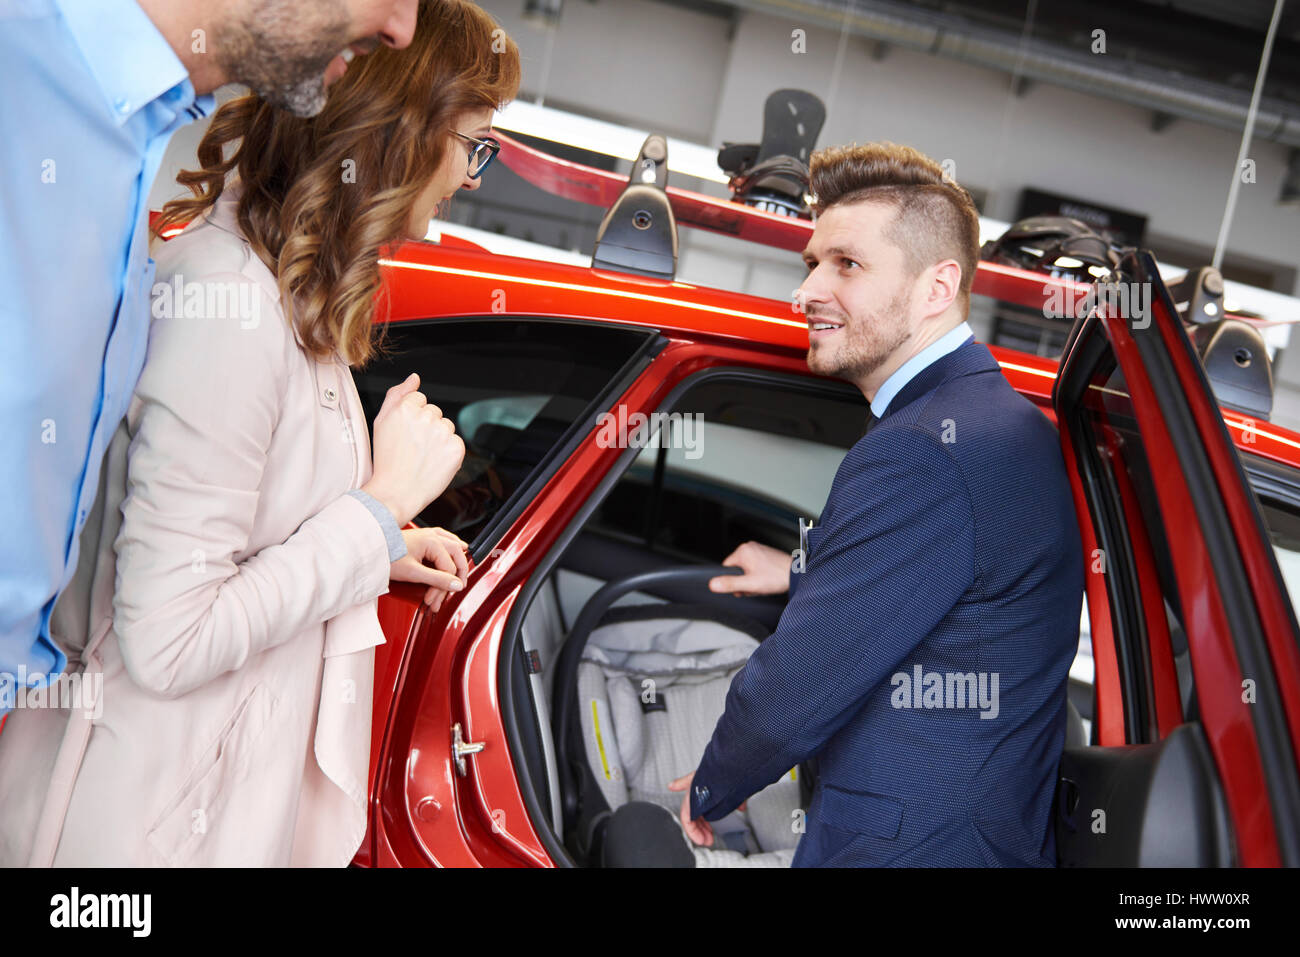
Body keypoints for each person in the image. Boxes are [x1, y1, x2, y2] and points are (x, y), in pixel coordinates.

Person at [0, 0, 520, 866]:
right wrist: (373, 508)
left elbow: (233, 530)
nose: (472, 175)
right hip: (134, 826)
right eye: (474, 142)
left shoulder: (283, 293)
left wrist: (373, 538)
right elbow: (169, 639)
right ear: (396, 129)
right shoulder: (234, 307)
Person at [0, 0, 420, 728]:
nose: (402, 29)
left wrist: (369, 544)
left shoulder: (128, 140)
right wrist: (366, 524)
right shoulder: (22, 73)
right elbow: (170, 630)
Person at [669, 142, 1085, 867]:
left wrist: (712, 783)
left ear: (935, 286)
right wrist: (805, 571)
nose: (807, 293)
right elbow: (953, 585)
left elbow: (801, 679)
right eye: (811, 264)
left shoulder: (925, 447)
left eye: (848, 265)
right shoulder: (992, 420)